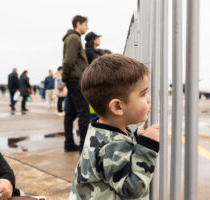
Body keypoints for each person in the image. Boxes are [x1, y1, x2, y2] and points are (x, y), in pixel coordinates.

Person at [69, 54, 160, 200]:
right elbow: (131, 189)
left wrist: (136, 138)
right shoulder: (111, 145)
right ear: (117, 106)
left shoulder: (101, 131)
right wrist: (147, 148)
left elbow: (116, 161)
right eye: (143, 94)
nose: (149, 99)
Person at [62, 15, 90, 153]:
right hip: (76, 79)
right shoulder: (74, 38)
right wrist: (64, 77)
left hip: (72, 79)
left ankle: (69, 143)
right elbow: (68, 60)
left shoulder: (71, 38)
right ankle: (83, 146)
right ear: (78, 24)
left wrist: (65, 78)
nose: (87, 27)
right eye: (85, 24)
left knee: (70, 113)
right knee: (83, 113)